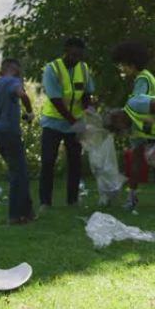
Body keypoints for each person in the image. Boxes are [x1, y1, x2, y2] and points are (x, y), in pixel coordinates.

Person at [111, 41, 155, 212]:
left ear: (131, 64)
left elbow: (150, 104)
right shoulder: (145, 77)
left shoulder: (142, 79)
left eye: (122, 65)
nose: (121, 69)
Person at [39, 37, 96, 212]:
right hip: (53, 123)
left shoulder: (84, 69)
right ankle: (45, 202)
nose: (75, 58)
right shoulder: (52, 68)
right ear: (66, 51)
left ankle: (72, 200)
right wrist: (74, 121)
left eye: (79, 55)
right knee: (48, 161)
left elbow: (86, 94)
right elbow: (55, 99)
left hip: (75, 123)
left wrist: (91, 111)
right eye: (72, 54)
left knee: (75, 162)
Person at [0, 58, 36, 225]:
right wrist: (29, 112)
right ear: (15, 70)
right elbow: (23, 95)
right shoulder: (13, 81)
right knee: (17, 174)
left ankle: (27, 213)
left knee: (19, 171)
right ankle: (15, 216)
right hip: (10, 132)